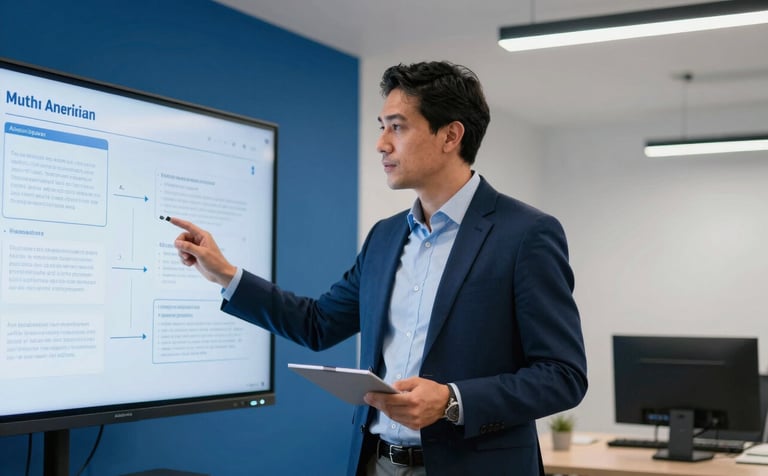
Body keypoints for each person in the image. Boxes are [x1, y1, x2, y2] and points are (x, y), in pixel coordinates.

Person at [171, 61, 587, 476]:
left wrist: (452, 399)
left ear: (450, 135)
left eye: (397, 127)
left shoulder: (526, 234)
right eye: (380, 126)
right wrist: (226, 274)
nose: (381, 144)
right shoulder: (385, 238)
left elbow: (562, 375)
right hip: (377, 462)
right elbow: (318, 324)